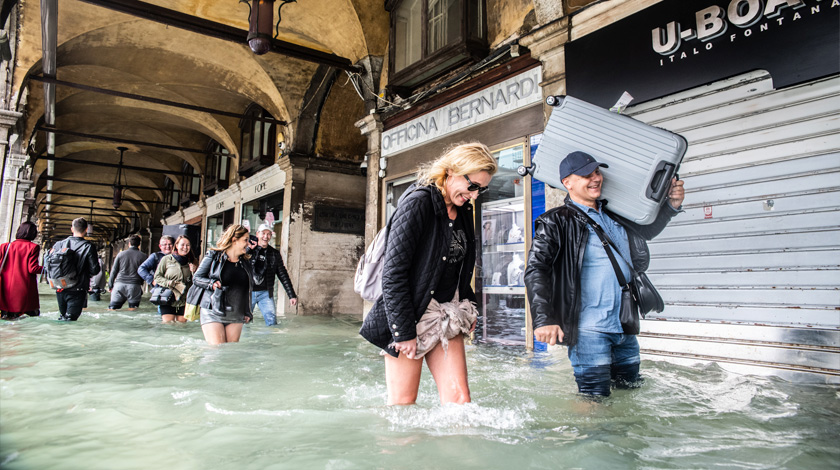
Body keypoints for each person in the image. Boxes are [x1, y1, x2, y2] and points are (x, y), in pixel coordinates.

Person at [524, 151, 685, 397]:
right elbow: (536, 270)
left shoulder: (616, 215)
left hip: (625, 325)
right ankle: (589, 436)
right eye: (586, 175)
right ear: (567, 182)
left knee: (630, 393)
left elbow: (647, 232)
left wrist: (671, 206)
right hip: (589, 329)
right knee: (593, 398)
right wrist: (544, 318)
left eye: (597, 172)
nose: (595, 178)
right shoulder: (555, 221)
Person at [359, 142, 497, 405]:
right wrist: (403, 332)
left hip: (448, 311)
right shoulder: (418, 203)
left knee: (460, 403)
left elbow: (460, 266)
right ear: (452, 172)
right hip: (410, 313)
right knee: (403, 405)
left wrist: (470, 305)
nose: (476, 195)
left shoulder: (464, 209)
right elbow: (393, 273)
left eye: (482, 188)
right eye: (473, 186)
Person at [193, 224, 258, 345]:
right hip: (212, 310)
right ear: (234, 240)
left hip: (236, 312)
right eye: (245, 240)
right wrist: (211, 284)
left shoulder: (246, 261)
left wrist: (247, 311)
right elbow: (196, 278)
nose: (248, 244)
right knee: (217, 350)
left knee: (230, 353)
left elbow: (247, 289)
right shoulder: (213, 256)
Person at [48, 217, 100, 322]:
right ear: (86, 229)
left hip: (60, 287)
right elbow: (95, 270)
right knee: (70, 320)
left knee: (63, 318)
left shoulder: (58, 245)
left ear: (72, 229)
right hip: (78, 288)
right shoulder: (89, 247)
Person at [250, 223, 297, 326]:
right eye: (263, 233)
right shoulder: (249, 250)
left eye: (268, 234)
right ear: (257, 234)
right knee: (244, 322)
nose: (265, 237)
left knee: (272, 323)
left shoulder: (274, 253)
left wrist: (291, 295)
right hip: (248, 292)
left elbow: (282, 274)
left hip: (265, 293)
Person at [0, 222, 43, 320]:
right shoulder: (33, 247)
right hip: (23, 291)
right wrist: (48, 270)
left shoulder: (4, 246)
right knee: (30, 319)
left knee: (7, 319)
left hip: (4, 290)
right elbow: (32, 269)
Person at [153, 235, 197, 323]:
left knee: (181, 327)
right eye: (182, 245)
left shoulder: (193, 262)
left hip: (184, 299)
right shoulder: (166, 259)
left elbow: (196, 283)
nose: (185, 247)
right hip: (168, 297)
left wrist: (194, 272)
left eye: (187, 245)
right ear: (176, 245)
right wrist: (169, 283)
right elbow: (157, 277)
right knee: (168, 325)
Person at [108, 234, 147, 310]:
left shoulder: (120, 254)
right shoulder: (143, 256)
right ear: (139, 244)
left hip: (119, 285)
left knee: (113, 309)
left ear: (129, 243)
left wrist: (110, 285)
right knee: (133, 310)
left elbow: (114, 271)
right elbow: (145, 272)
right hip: (134, 286)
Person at [138, 235, 175, 311]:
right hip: (161, 290)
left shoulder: (177, 257)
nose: (167, 246)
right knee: (163, 313)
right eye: (164, 244)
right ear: (160, 246)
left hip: (176, 290)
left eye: (170, 244)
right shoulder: (155, 256)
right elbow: (141, 269)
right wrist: (152, 280)